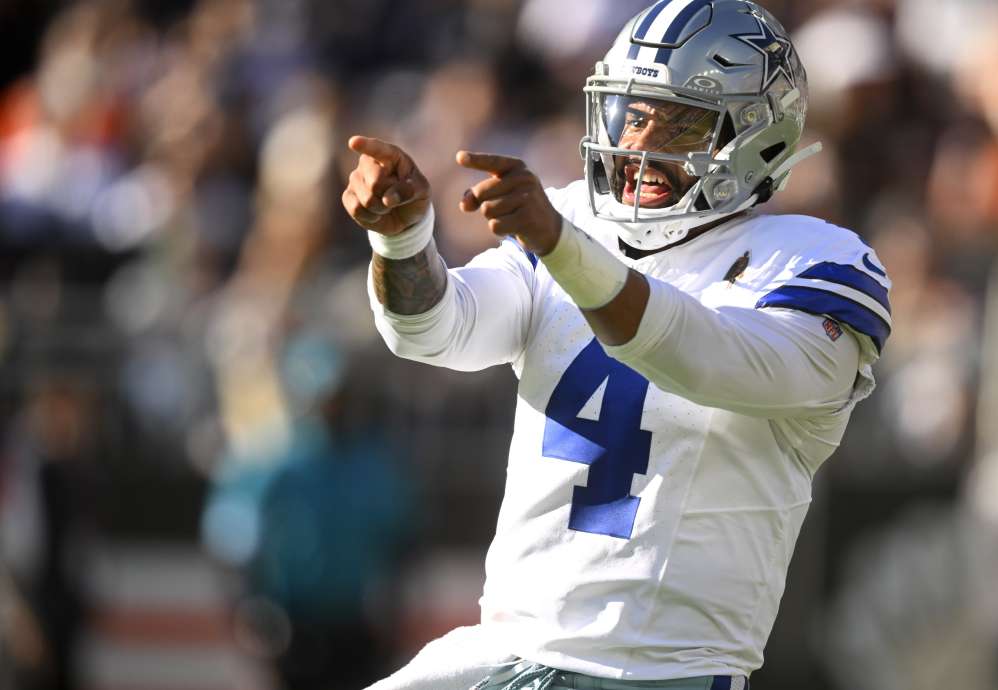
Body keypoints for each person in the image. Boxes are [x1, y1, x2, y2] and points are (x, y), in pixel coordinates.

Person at [343, 2, 891, 688]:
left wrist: (561, 246)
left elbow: (699, 356)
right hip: (504, 649)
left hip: (660, 670)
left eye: (680, 120)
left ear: (759, 138)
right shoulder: (570, 220)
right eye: (633, 114)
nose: (639, 144)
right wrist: (401, 239)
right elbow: (435, 329)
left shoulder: (812, 265)